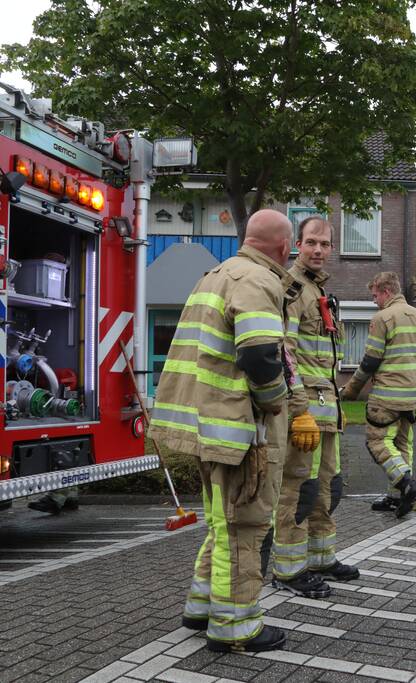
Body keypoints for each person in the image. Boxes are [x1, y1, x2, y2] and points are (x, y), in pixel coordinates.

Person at [149, 209, 295, 653]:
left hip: (205, 427)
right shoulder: (258, 280)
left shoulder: (214, 274)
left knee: (220, 524)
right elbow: (259, 356)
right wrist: (274, 403)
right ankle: (236, 628)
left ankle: (201, 607)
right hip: (237, 431)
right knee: (244, 526)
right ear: (284, 249)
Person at [270, 216, 359, 599]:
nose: (318, 250)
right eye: (311, 243)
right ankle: (289, 571)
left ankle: (321, 558)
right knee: (298, 491)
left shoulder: (322, 292)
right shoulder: (291, 289)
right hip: (304, 415)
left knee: (327, 490)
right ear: (297, 245)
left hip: (327, 414)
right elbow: (284, 352)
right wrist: (297, 409)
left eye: (324, 244)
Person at [341, 272, 416, 518]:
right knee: (402, 444)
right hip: (410, 397)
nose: (374, 301)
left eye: (375, 295)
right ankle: (397, 498)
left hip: (386, 396)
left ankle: (407, 486)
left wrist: (351, 389)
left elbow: (371, 360)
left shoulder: (382, 318)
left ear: (386, 292)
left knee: (378, 441)